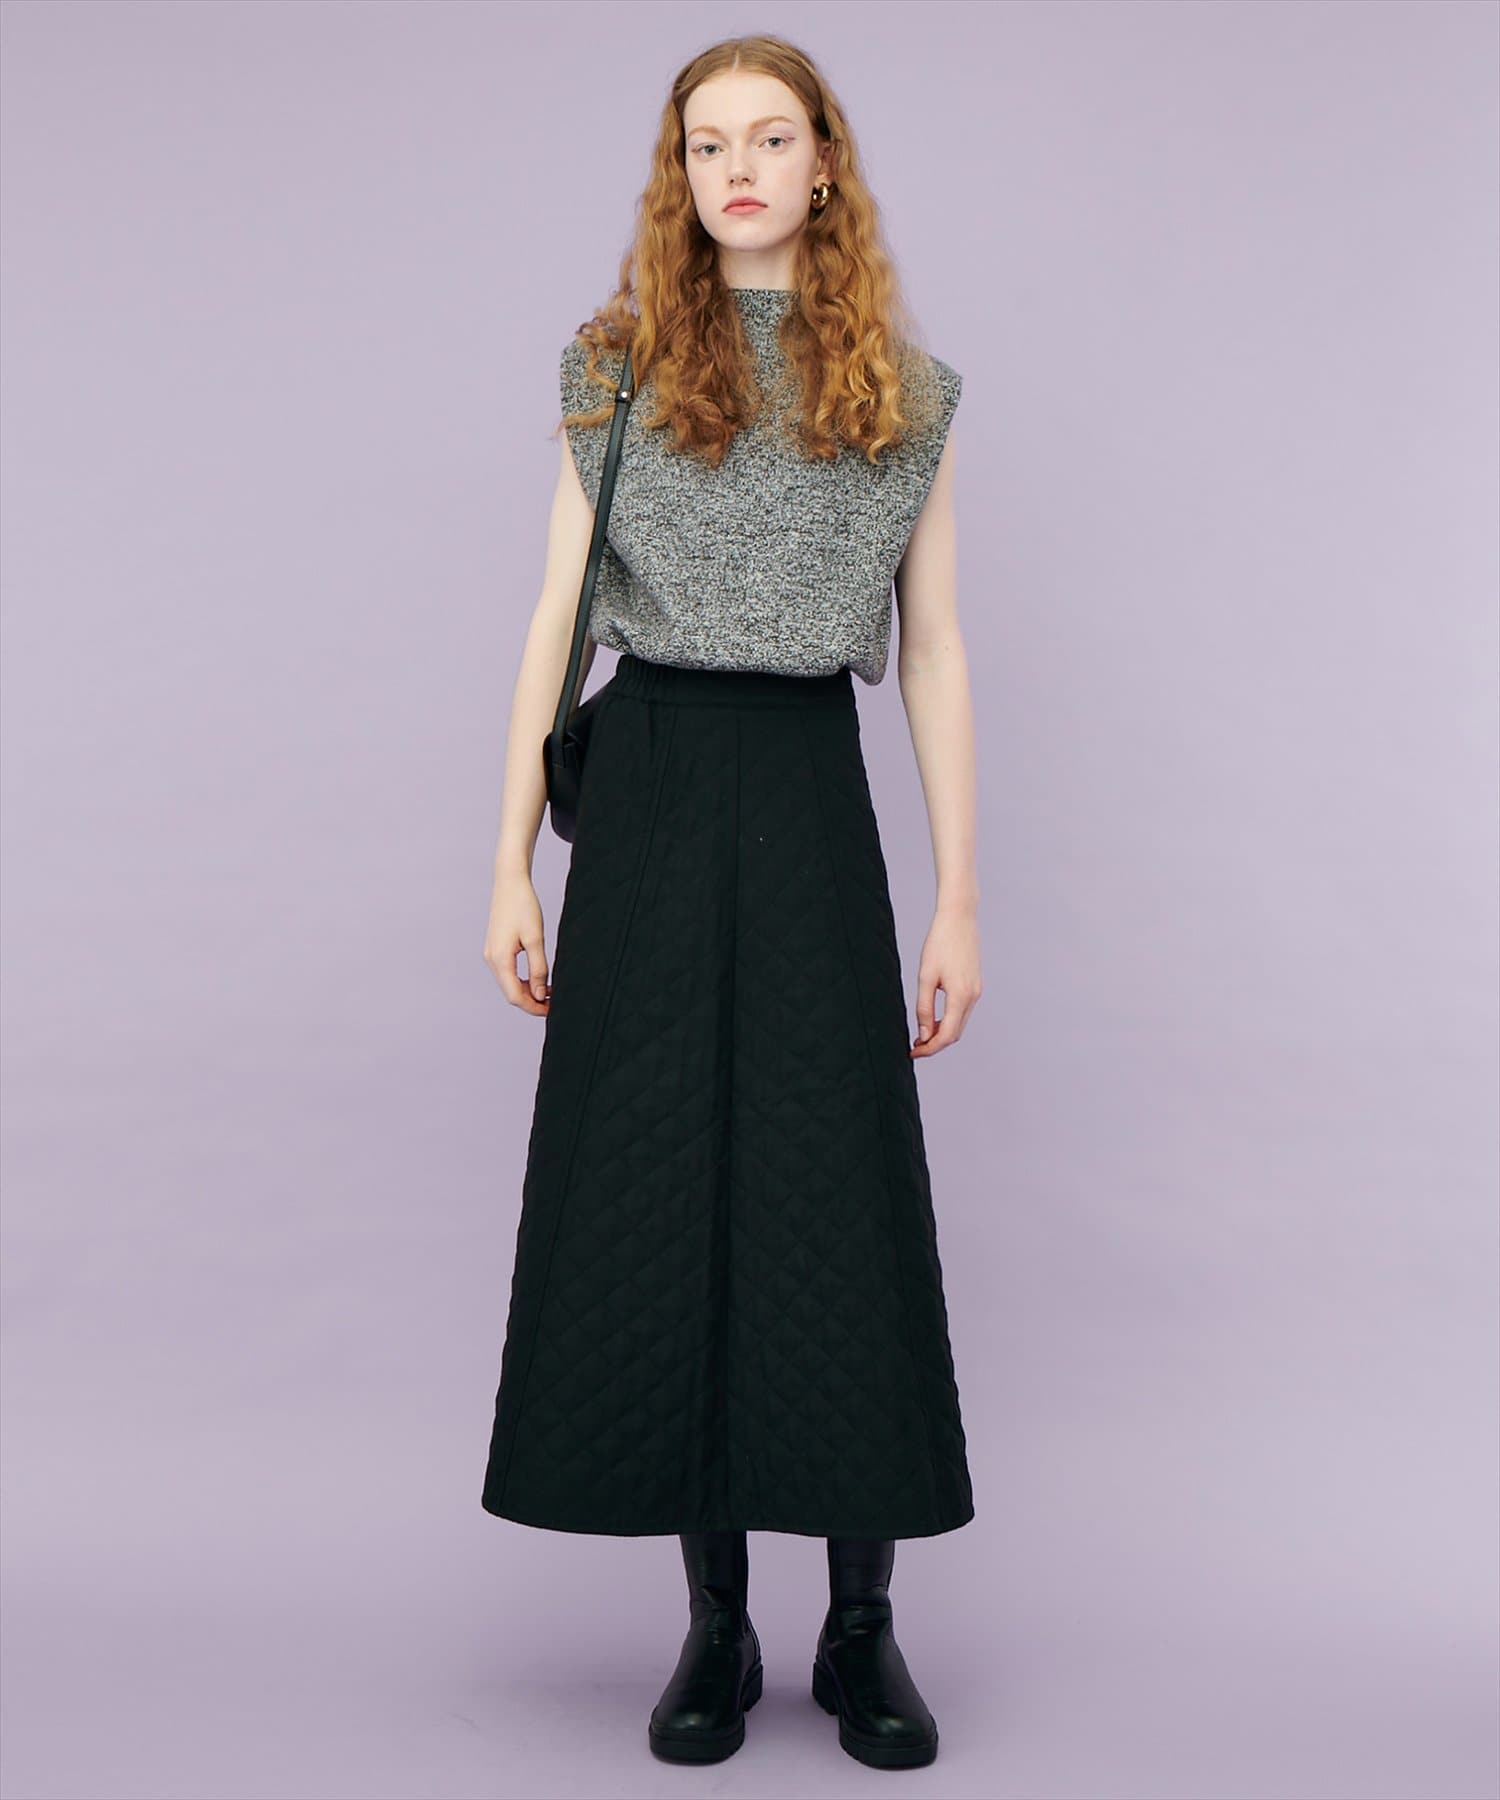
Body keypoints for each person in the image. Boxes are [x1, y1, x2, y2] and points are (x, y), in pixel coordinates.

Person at [479, 32, 982, 1773]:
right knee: (665, 1194)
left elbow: (934, 651)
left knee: (834, 1199)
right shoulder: (614, 369)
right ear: (678, 175)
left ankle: (861, 1626)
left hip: (808, 785)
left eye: (773, 139)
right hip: (653, 793)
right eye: (709, 145)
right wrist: (507, 860)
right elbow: (555, 617)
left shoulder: (908, 396)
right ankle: (716, 1623)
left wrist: (960, 899)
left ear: (825, 162)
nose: (742, 169)